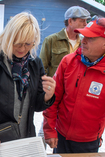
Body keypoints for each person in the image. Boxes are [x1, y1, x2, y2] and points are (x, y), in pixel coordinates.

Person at [43, 17, 105, 157]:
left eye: (90, 38)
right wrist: (49, 129)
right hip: (61, 137)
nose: (83, 41)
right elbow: (53, 99)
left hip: (88, 142)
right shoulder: (68, 61)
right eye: (84, 36)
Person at [0, 12, 56, 149]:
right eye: (18, 43)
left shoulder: (35, 63)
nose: (22, 49)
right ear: (8, 37)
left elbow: (36, 105)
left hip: (24, 136)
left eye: (28, 44)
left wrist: (47, 97)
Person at [38, 6, 90, 144]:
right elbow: (42, 67)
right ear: (70, 21)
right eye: (82, 21)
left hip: (74, 93)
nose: (85, 24)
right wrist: (44, 92)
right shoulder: (52, 40)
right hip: (55, 91)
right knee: (46, 128)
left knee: (66, 126)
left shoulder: (85, 42)